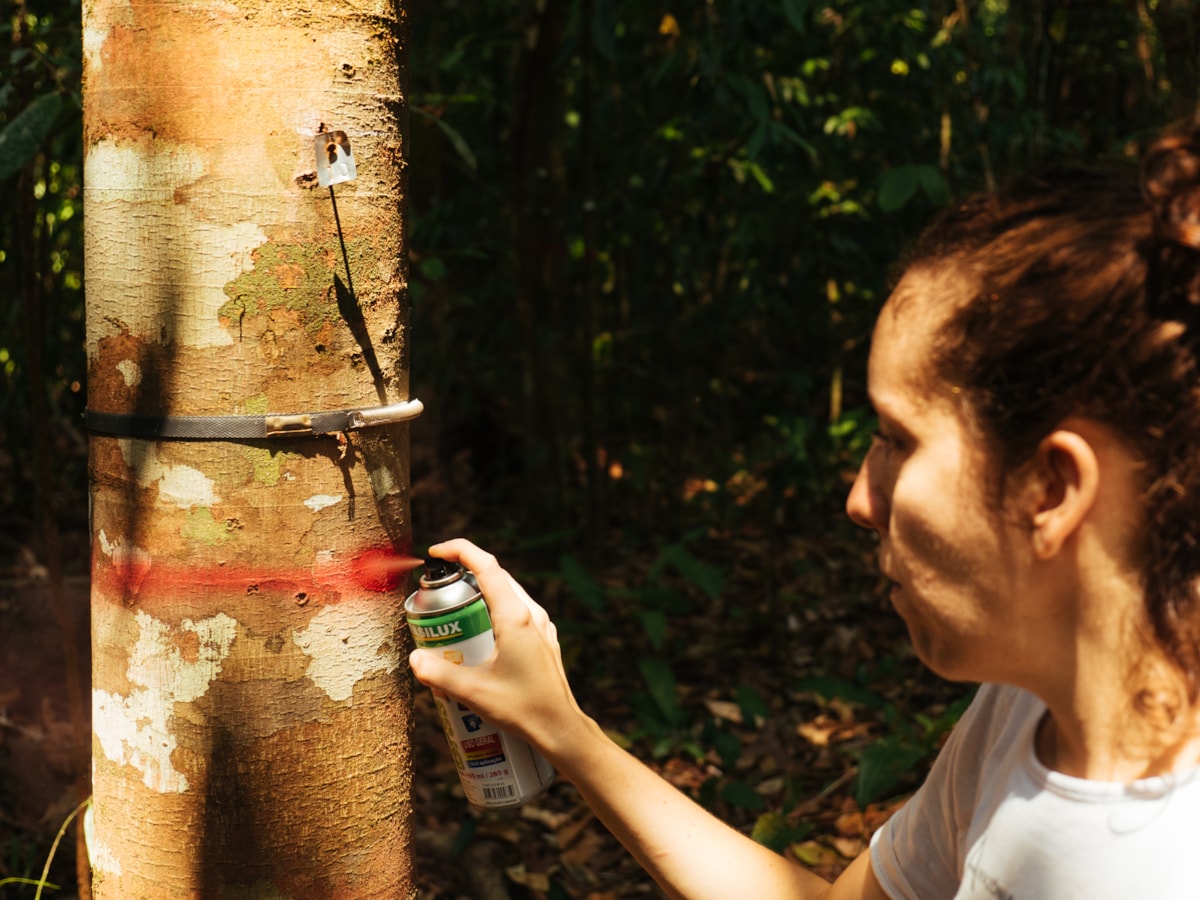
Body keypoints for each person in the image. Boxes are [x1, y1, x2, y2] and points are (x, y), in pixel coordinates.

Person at [408, 116, 1200, 899]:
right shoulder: (1026, 712)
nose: (860, 498)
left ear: (1050, 490)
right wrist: (563, 728)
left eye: (898, 440)